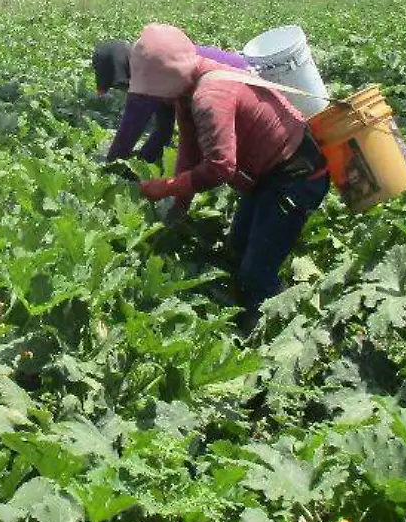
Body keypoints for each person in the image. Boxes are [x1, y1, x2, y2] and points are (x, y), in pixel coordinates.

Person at [128, 23, 329, 315]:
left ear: (167, 77)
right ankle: (255, 300)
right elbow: (189, 151)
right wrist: (178, 210)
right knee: (236, 246)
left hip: (296, 177)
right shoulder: (191, 87)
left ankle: (285, 323)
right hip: (268, 175)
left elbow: (220, 167)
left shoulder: (209, 96)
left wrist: (169, 188)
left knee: (254, 274)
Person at [92, 38, 250, 163]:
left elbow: (130, 129)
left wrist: (112, 166)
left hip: (236, 80)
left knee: (229, 150)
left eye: (120, 84)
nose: (124, 89)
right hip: (237, 76)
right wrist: (142, 161)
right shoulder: (159, 72)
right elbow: (163, 130)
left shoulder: (149, 72)